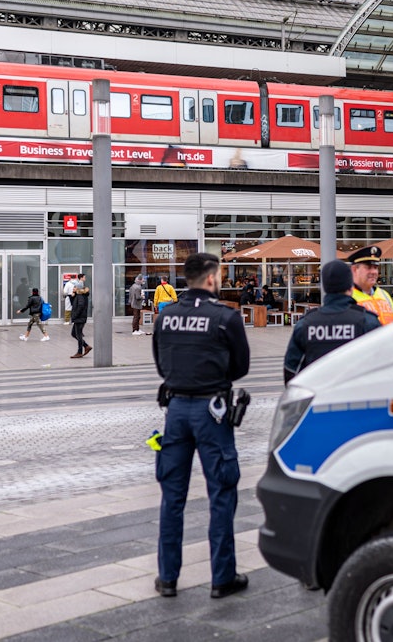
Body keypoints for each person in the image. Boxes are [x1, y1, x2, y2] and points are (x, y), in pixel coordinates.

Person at [152, 252, 250, 600]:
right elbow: (240, 368)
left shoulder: (167, 317)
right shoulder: (226, 317)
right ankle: (221, 578)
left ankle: (167, 578)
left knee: (172, 496)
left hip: (175, 410)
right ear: (211, 279)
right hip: (213, 411)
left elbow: (162, 365)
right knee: (221, 493)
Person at [284, 260, 381, 383]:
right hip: (357, 397)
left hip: (318, 397)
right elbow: (382, 365)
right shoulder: (367, 321)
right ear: (350, 287)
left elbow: (291, 370)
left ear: (324, 287)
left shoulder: (305, 324)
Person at [347, 246, 393, 325]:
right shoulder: (346, 297)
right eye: (368, 267)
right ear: (354, 269)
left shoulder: (384, 295)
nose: (374, 272)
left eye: (375, 267)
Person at [70, 275, 92, 358]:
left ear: (78, 288)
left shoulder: (80, 296)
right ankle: (86, 346)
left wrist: (75, 315)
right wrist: (72, 296)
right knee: (74, 333)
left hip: (80, 318)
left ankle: (80, 352)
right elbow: (74, 304)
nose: (73, 288)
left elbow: (80, 306)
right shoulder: (78, 295)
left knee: (78, 334)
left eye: (74, 287)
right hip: (79, 318)